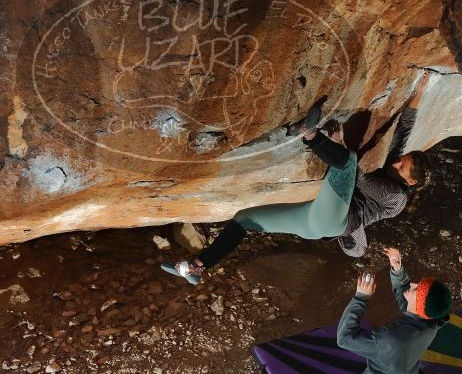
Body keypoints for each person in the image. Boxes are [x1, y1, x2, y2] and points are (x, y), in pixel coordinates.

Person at [160, 72, 432, 285]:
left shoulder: (396, 198)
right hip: (312, 224)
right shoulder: (395, 172)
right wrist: (419, 92)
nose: (396, 163)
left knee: (348, 162)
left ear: (410, 183)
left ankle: (309, 134)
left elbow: (358, 178)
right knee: (243, 219)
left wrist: (339, 143)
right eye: (400, 160)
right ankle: (198, 266)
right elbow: (402, 133)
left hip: (337, 220)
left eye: (402, 167)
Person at [336, 246, 452, 374]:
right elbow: (409, 301)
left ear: (421, 307)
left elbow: (344, 338)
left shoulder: (389, 340)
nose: (413, 284)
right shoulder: (432, 322)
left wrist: (360, 298)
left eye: (416, 288)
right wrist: (398, 270)